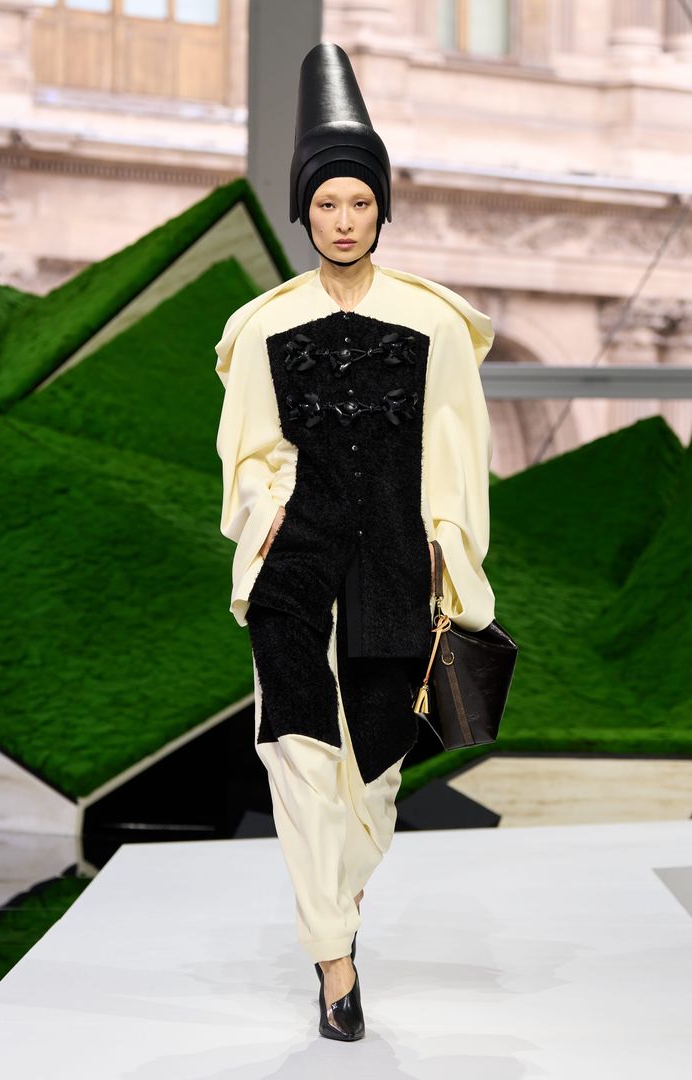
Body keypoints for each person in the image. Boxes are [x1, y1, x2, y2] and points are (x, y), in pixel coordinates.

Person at [214, 42, 496, 1042]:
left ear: (382, 210)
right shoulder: (263, 327)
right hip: (295, 562)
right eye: (326, 203)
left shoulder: (432, 324)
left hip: (396, 563)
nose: (343, 219)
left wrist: (451, 557)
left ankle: (340, 900)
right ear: (304, 211)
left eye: (360, 202)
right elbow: (246, 451)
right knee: (297, 752)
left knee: (375, 771)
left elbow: (459, 453)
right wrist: (267, 514)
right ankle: (335, 963)